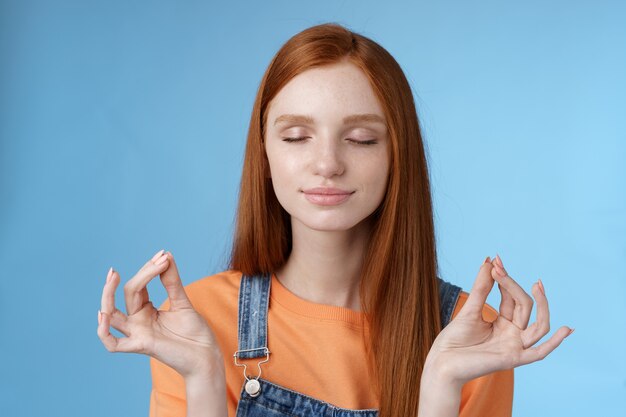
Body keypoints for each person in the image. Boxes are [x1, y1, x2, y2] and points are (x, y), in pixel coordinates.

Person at [96, 22, 573, 417]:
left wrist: (442, 382)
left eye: (362, 138)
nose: (327, 163)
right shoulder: (194, 321)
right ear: (262, 153)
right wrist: (201, 373)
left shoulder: (471, 336)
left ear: (397, 156)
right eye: (297, 136)